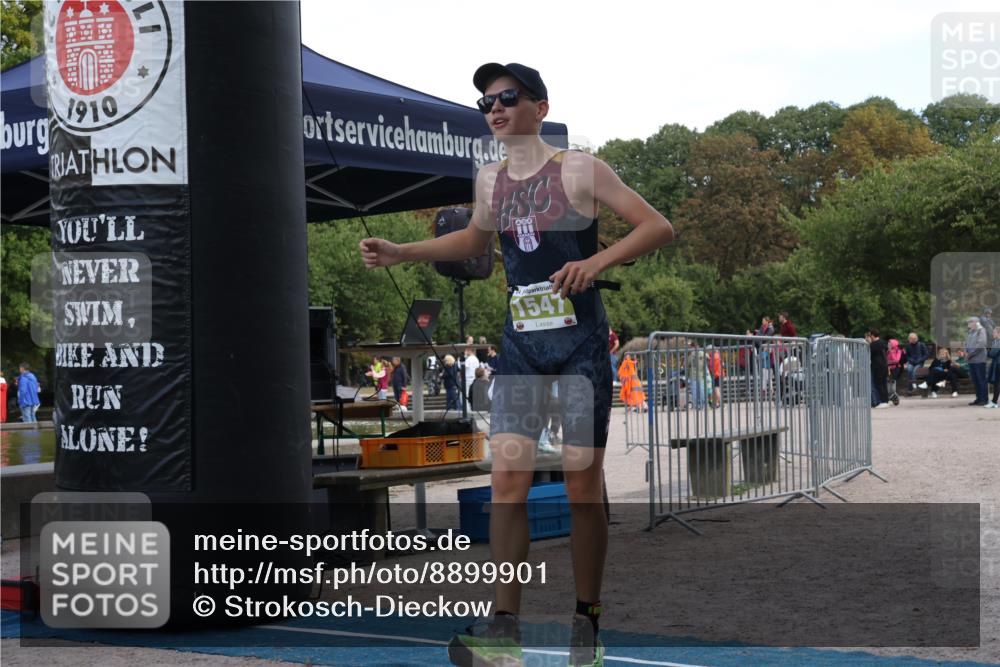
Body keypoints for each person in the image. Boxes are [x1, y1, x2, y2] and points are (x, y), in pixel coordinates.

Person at [360, 61, 673, 667]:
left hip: (579, 345)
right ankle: (504, 628)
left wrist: (596, 263)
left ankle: (587, 625)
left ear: (541, 107)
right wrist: (404, 251)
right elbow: (475, 242)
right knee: (508, 483)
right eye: (485, 103)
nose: (495, 109)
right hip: (523, 348)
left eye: (507, 98)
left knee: (582, 487)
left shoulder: (579, 169)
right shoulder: (489, 181)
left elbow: (657, 226)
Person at [965, 316, 989, 406]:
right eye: (968, 322)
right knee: (975, 380)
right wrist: (966, 353)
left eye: (970, 322)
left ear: (976, 323)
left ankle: (984, 399)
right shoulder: (970, 332)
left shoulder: (981, 331)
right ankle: (979, 398)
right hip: (971, 360)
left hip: (979, 359)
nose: (969, 323)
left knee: (981, 380)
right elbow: (966, 344)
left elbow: (981, 344)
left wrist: (970, 354)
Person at [867, 329, 889, 408]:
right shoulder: (883, 343)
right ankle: (885, 400)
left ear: (872, 335)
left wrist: (869, 343)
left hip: (877, 366)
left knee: (878, 384)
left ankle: (881, 401)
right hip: (884, 365)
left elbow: (868, 353)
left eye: (870, 336)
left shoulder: (873, 345)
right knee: (884, 384)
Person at [986, 325, 1000, 408]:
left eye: (994, 332)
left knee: (997, 384)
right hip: (997, 364)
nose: (993, 334)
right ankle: (994, 401)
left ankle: (994, 402)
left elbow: (992, 354)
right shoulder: (996, 341)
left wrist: (987, 350)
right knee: (997, 384)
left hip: (998, 364)